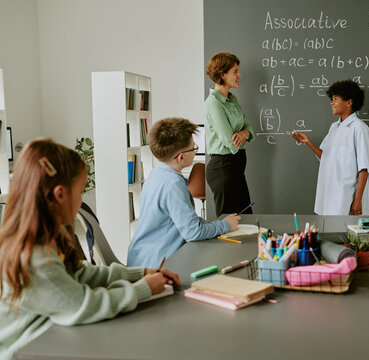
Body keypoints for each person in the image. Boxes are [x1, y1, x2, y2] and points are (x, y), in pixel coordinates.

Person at [0, 138, 180, 360]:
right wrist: (143, 289)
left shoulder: (49, 237)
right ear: (59, 194)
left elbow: (80, 273)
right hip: (28, 351)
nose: (81, 199)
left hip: (51, 338)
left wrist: (140, 273)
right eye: (81, 191)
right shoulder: (33, 257)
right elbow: (82, 305)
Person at [127, 117, 240, 268]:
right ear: (181, 157)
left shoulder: (156, 174)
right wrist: (225, 226)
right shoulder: (173, 185)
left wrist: (217, 224)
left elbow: (184, 222)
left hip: (141, 258)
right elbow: (193, 232)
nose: (195, 151)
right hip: (157, 265)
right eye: (194, 148)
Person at [292, 79, 369, 216]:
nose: (332, 103)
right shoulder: (334, 127)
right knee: (330, 231)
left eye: (336, 99)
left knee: (347, 234)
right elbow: (326, 157)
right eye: (332, 99)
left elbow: (363, 168)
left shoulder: (359, 128)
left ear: (349, 102)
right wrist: (308, 142)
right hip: (330, 195)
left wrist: (357, 200)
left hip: (347, 197)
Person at [204, 52, 255, 217]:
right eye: (235, 71)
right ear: (222, 74)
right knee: (228, 223)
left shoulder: (232, 99)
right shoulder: (213, 103)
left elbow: (249, 128)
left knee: (245, 217)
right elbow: (230, 141)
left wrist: (245, 133)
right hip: (223, 168)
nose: (239, 75)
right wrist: (244, 135)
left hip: (236, 168)